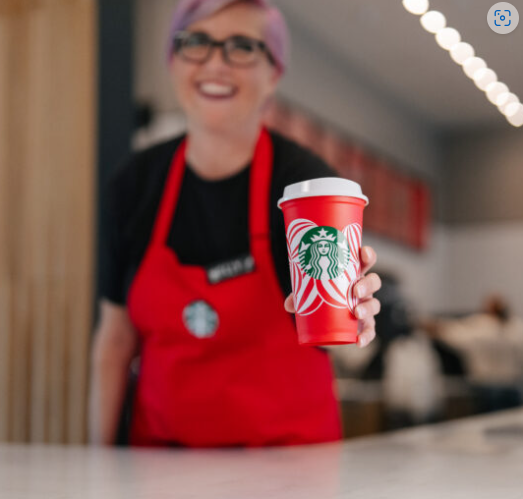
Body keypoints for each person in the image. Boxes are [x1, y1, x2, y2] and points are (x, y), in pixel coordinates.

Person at [89, 0, 382, 448]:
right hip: (160, 468)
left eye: (242, 47)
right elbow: (115, 341)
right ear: (172, 59)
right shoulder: (133, 184)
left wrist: (355, 314)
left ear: (274, 74)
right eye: (196, 43)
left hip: (288, 470)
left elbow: (335, 331)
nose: (215, 63)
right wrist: (99, 467)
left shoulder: (308, 188)